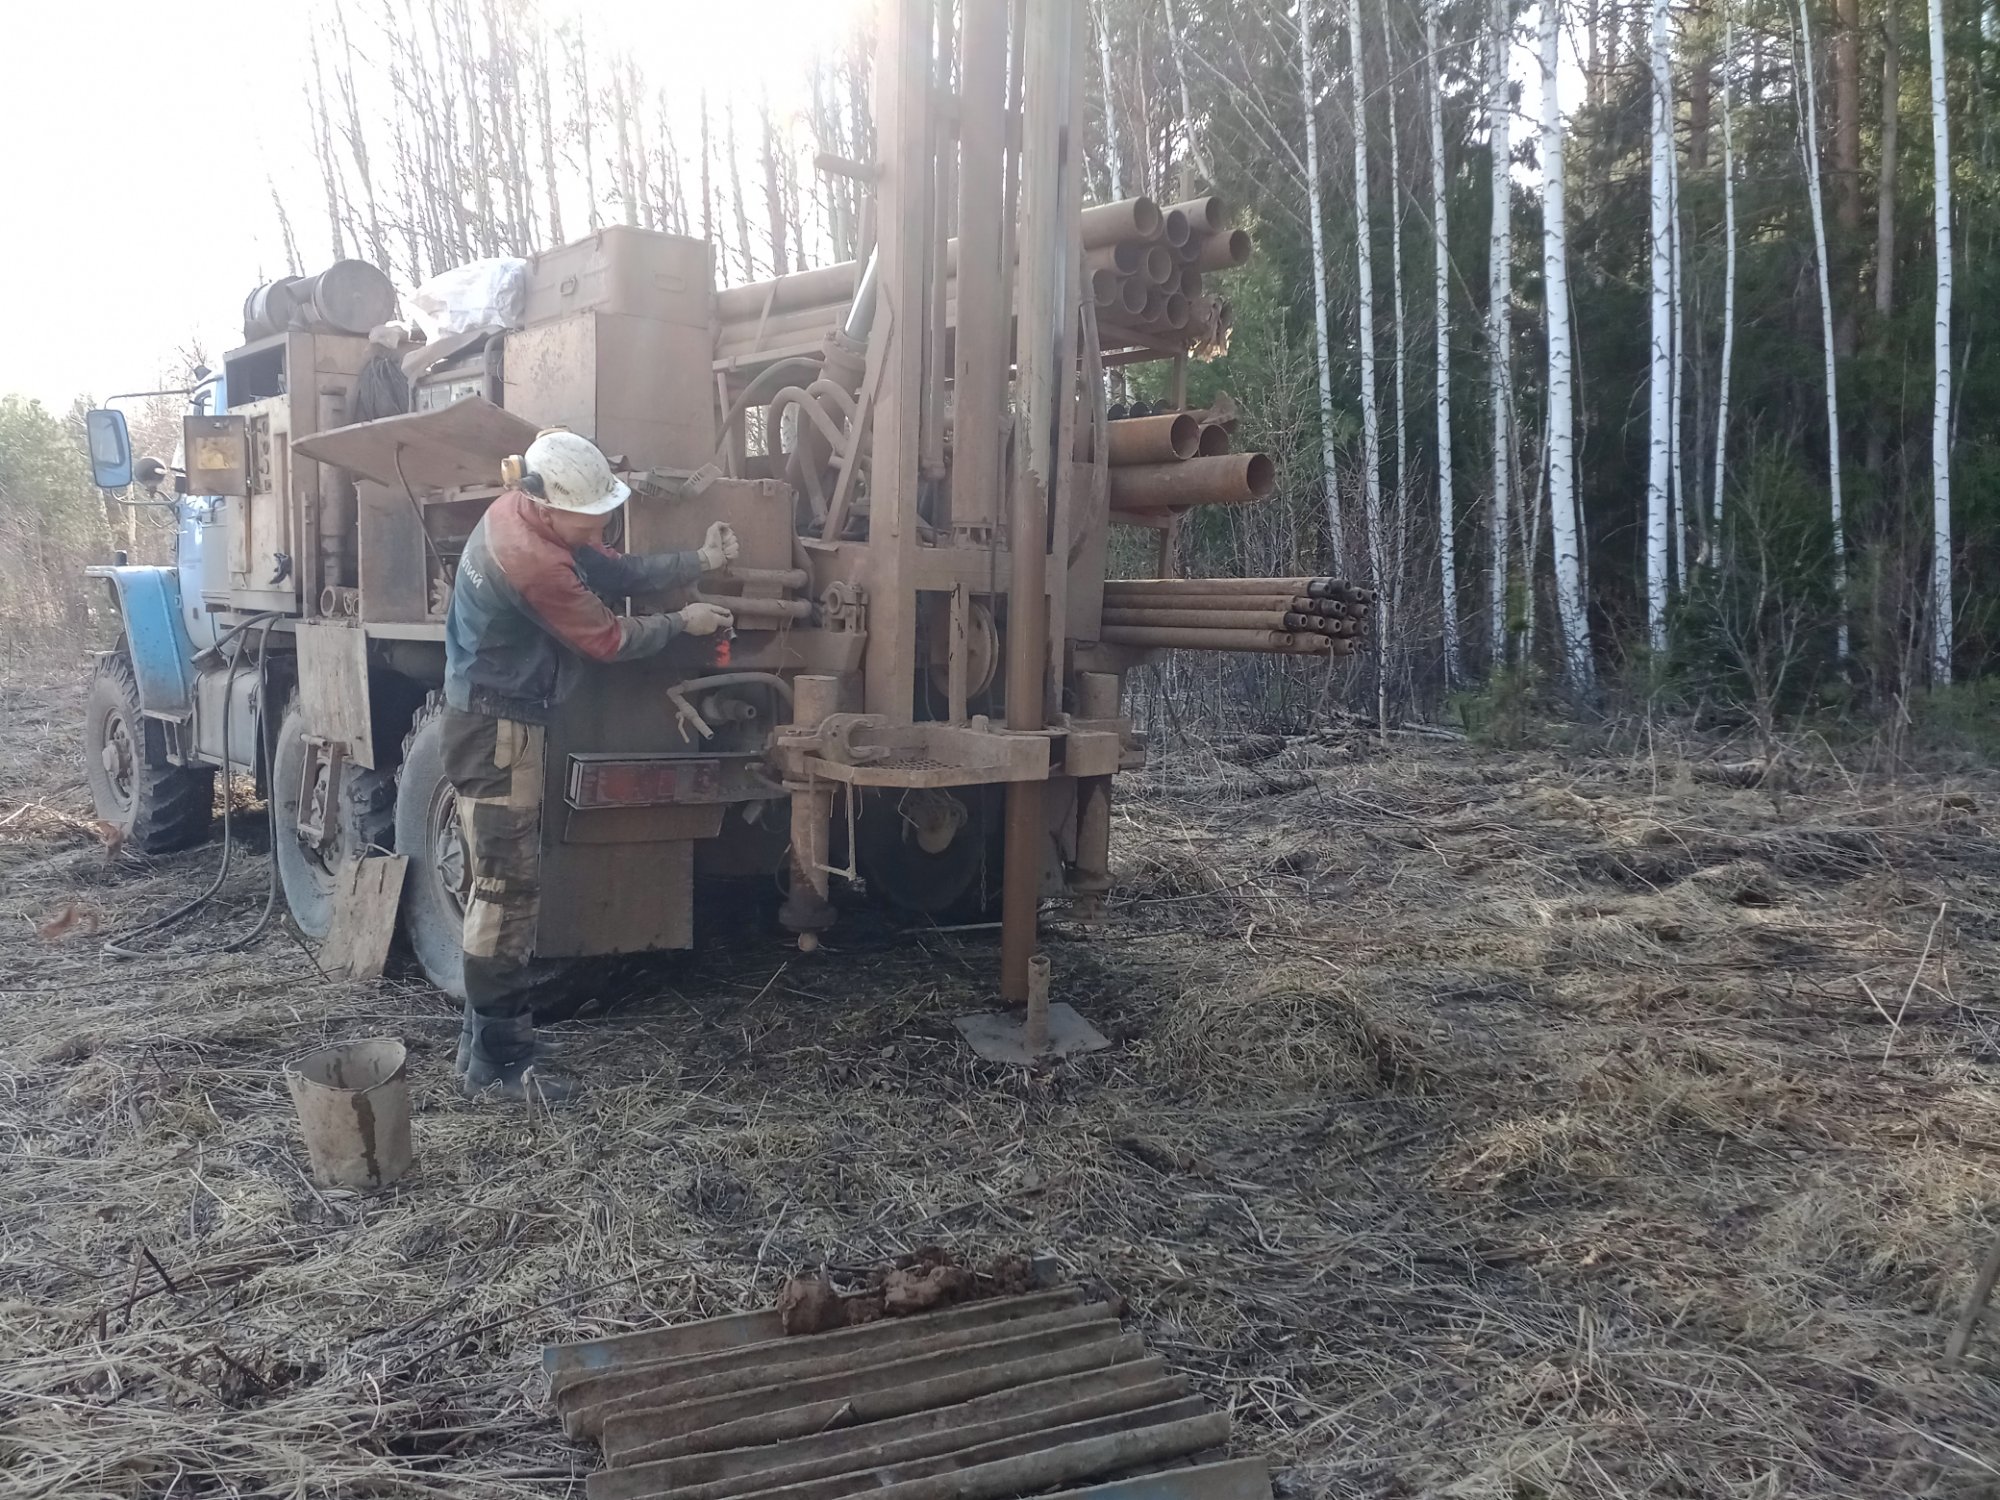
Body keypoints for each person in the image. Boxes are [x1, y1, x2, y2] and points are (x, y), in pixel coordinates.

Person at [440, 429, 737, 1103]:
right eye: (591, 515)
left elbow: (610, 569)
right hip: (497, 731)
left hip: (490, 716)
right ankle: (499, 1065)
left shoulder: (519, 513)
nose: (600, 525)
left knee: (499, 889)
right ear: (548, 506)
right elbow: (607, 637)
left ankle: (484, 1044)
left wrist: (699, 559)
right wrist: (683, 623)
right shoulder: (531, 561)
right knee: (504, 895)